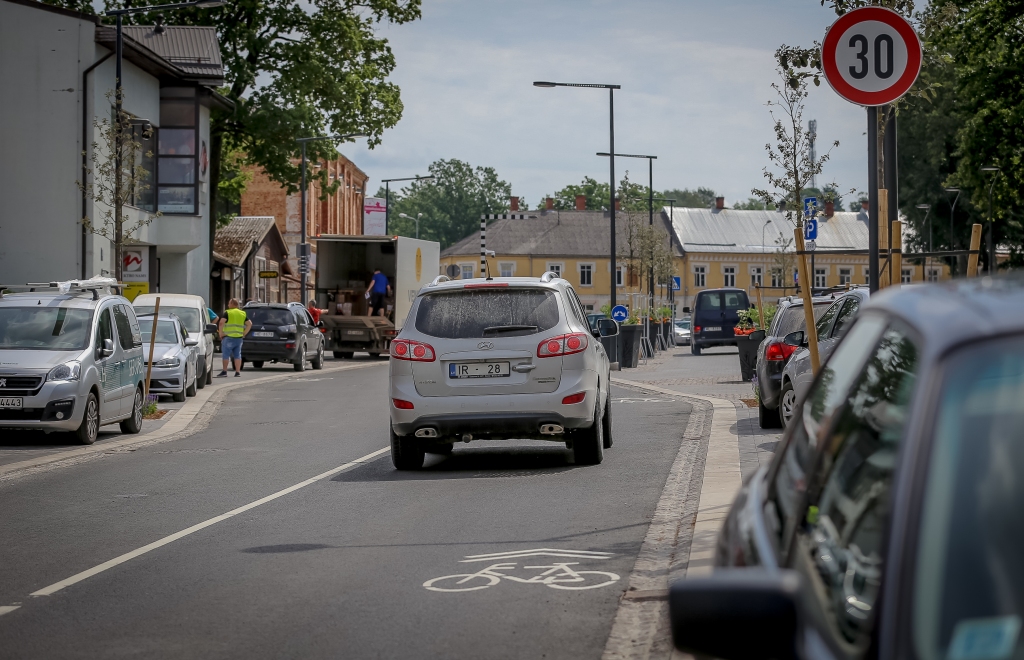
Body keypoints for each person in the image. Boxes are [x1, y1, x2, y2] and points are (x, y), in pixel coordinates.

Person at [216, 299, 251, 378]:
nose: (228, 305)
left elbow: (221, 322)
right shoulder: (242, 313)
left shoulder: (228, 312)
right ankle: (238, 372)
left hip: (228, 337)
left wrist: (220, 333)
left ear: (232, 303)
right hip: (239, 338)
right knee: (237, 355)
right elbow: (249, 324)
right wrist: (244, 333)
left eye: (229, 303)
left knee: (226, 355)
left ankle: (224, 371)